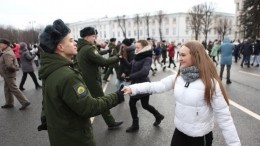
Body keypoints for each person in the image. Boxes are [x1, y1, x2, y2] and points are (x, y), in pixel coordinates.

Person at [121, 40, 241, 146]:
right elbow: (157, 86)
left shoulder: (211, 84)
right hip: (179, 132)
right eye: (179, 54)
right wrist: (133, 88)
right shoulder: (179, 77)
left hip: (199, 137)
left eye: (183, 55)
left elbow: (225, 118)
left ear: (196, 56)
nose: (179, 58)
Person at [38, 19, 125, 146]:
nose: (75, 43)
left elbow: (45, 101)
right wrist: (117, 96)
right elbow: (89, 108)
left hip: (60, 136)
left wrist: (46, 117)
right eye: (71, 40)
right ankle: (110, 121)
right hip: (76, 138)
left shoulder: (50, 70)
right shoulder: (67, 76)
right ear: (60, 47)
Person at [76, 27, 123, 129]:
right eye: (94, 36)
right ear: (87, 36)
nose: (95, 38)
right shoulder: (89, 48)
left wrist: (106, 51)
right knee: (102, 101)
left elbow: (96, 55)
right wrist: (117, 57)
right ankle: (110, 122)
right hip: (92, 80)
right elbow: (103, 62)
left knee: (89, 101)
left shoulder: (83, 48)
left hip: (87, 78)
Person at [120, 40, 164, 133]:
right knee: (142, 105)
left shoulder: (147, 58)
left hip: (143, 85)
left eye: (137, 47)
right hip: (135, 84)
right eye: (135, 47)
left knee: (141, 104)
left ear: (144, 48)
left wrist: (130, 77)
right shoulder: (137, 56)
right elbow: (129, 66)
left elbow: (145, 71)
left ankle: (137, 125)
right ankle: (158, 116)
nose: (136, 49)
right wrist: (121, 58)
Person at [0, 38, 30, 110]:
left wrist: (6, 70)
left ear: (5, 44)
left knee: (13, 88)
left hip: (8, 73)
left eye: (0, 44)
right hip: (6, 73)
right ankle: (9, 103)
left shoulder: (7, 53)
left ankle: (25, 101)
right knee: (7, 88)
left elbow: (10, 65)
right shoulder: (5, 51)